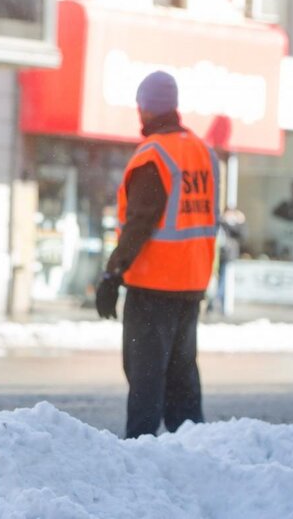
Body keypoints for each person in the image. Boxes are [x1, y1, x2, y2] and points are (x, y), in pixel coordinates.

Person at [95, 70, 219, 438]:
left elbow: (140, 222)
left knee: (145, 376)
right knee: (182, 374)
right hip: (191, 282)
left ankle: (140, 450)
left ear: (145, 109)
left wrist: (112, 273)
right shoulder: (203, 151)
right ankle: (192, 446)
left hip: (153, 285)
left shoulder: (153, 155)